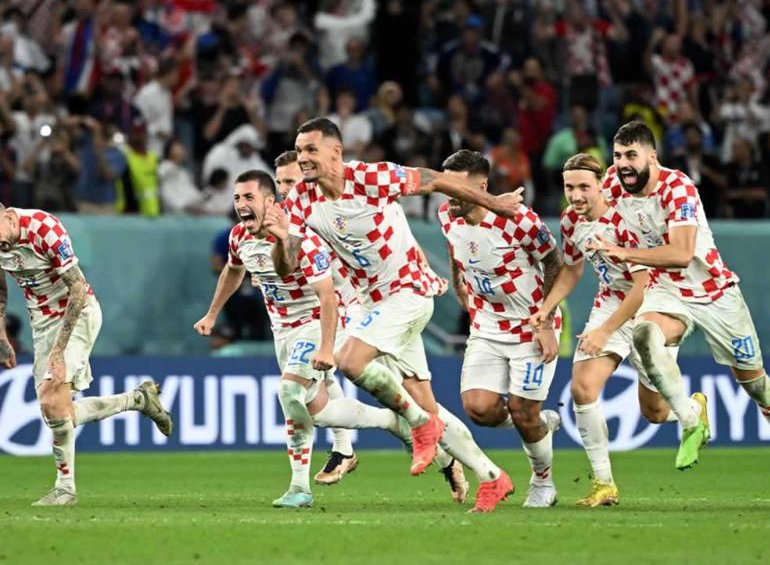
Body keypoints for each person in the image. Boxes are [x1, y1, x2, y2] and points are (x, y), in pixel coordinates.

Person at [270, 117, 523, 513]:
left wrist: (496, 204)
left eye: (310, 150)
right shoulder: (301, 200)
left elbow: (435, 180)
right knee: (429, 406)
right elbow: (288, 267)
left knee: (352, 361)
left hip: (407, 290)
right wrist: (283, 237)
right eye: (299, 150)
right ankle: (492, 477)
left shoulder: (372, 177)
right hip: (371, 305)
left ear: (336, 151)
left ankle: (420, 427)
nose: (302, 158)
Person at [193, 169, 464, 508]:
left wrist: (325, 347)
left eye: (248, 198)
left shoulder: (305, 239)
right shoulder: (238, 237)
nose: (240, 204)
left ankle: (301, 487)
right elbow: (233, 271)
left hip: (319, 322)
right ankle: (395, 422)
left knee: (290, 391)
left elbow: (327, 298)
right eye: (236, 198)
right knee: (316, 410)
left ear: (269, 201)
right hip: (284, 330)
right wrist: (213, 313)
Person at [593, 121, 770, 480]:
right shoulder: (613, 182)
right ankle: (690, 420)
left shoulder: (678, 188)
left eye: (631, 155)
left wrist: (623, 252)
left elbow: (683, 253)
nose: (623, 163)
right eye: (618, 156)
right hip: (665, 289)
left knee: (756, 384)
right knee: (644, 335)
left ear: (652, 157)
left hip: (713, 291)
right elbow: (589, 202)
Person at [273, 150, 468, 497]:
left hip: (359, 310)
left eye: (292, 181)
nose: (289, 189)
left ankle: (363, 446)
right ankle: (357, 447)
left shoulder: (334, 204)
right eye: (281, 183)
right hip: (348, 312)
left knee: (320, 387)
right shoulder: (292, 218)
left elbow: (388, 242)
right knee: (406, 403)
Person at [0, 204, 172, 506]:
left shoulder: (44, 228)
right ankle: (138, 399)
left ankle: (65, 490)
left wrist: (59, 350)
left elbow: (77, 288)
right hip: (41, 323)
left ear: (9, 217)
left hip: (77, 313)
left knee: (51, 397)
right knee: (56, 410)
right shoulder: (3, 236)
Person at [531, 152, 677, 507]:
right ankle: (604, 483)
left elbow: (643, 285)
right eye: (570, 188)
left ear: (600, 185)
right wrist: (546, 309)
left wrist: (605, 331)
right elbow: (571, 269)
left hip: (653, 305)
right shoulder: (570, 220)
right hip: (611, 300)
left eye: (584, 187)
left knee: (655, 413)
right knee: (583, 387)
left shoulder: (626, 219)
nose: (576, 195)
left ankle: (688, 406)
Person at [437, 150, 563, 508]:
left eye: (456, 186)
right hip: (487, 324)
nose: (448, 193)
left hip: (530, 325)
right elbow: (454, 249)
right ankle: (540, 422)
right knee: (478, 409)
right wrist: (458, 282)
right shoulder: (447, 214)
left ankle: (543, 483)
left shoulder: (518, 219)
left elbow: (554, 263)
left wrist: (547, 322)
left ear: (481, 186)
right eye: (444, 184)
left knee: (523, 412)